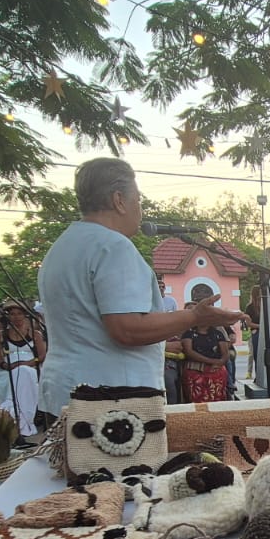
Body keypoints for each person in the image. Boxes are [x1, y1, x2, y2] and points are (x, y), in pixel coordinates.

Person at [37, 158, 245, 418]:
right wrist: (195, 316)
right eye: (138, 200)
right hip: (110, 401)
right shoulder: (112, 246)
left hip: (70, 391)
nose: (140, 209)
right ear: (118, 200)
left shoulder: (64, 246)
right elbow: (127, 329)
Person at [0, 300, 46, 441]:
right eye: (12, 314)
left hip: (31, 369)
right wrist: (6, 365)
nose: (16, 317)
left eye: (19, 314)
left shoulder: (35, 334)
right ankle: (12, 417)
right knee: (17, 374)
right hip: (7, 371)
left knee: (24, 372)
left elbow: (41, 356)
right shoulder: (0, 335)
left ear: (25, 315)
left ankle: (20, 419)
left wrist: (26, 363)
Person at [179, 285, 235, 403]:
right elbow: (189, 352)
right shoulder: (189, 333)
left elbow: (225, 352)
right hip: (196, 369)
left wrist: (220, 362)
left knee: (221, 373)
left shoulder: (217, 332)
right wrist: (212, 362)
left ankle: (228, 391)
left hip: (215, 368)